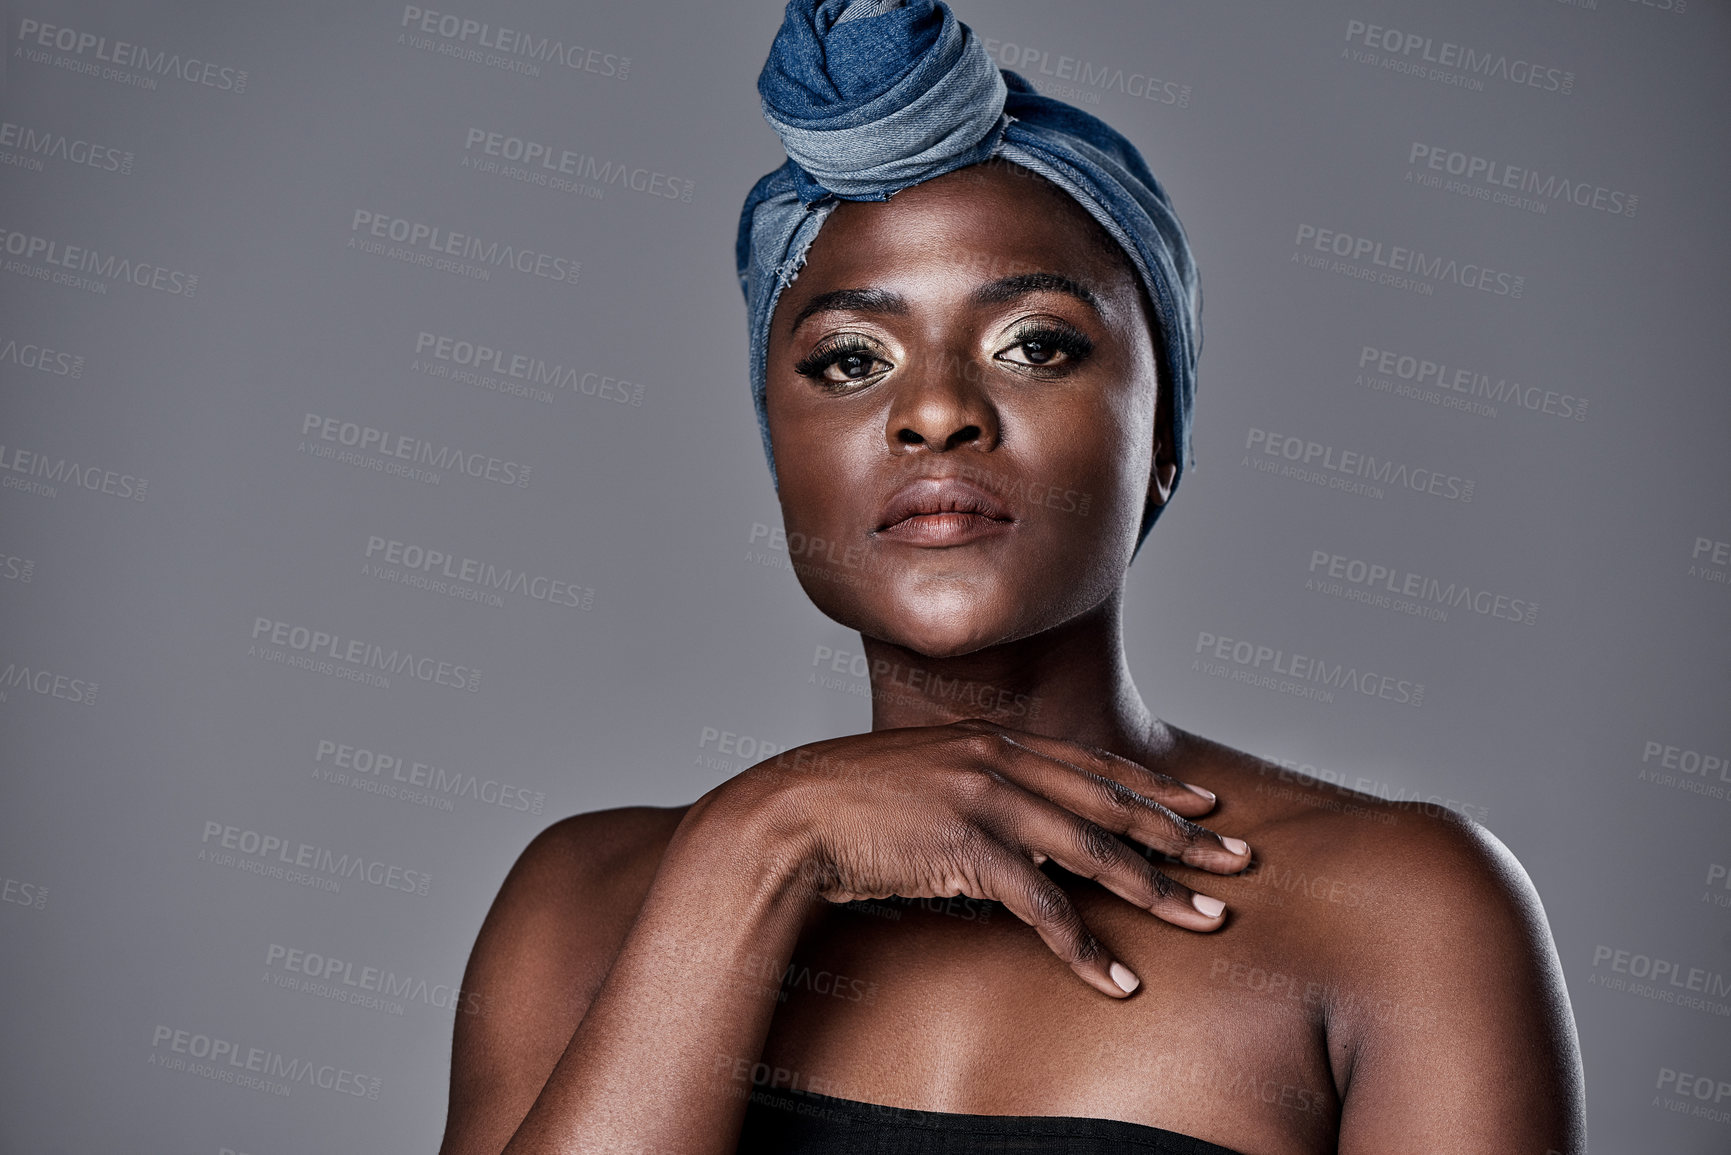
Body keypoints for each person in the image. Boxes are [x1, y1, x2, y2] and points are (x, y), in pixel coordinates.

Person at [437, 3, 1586, 1152]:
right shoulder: (587, 904)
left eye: (1035, 345)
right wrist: (763, 845)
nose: (935, 411)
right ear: (780, 452)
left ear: (1163, 442)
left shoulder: (1403, 919)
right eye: (851, 361)